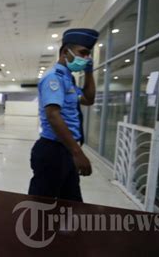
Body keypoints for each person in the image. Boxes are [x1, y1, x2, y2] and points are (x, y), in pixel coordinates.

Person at [28, 28, 98, 202]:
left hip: (66, 148)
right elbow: (53, 115)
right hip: (53, 151)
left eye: (88, 55)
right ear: (66, 52)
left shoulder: (68, 79)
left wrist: (89, 72)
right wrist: (77, 153)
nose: (86, 58)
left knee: (71, 202)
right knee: (41, 205)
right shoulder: (54, 78)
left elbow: (88, 99)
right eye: (83, 53)